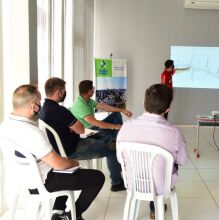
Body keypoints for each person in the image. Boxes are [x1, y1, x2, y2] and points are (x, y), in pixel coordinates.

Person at [0, 84, 105, 220]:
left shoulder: (4, 126)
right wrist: (73, 162)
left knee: (66, 172)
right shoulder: (32, 132)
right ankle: (72, 215)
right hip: (42, 181)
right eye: (39, 104)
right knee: (97, 177)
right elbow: (59, 165)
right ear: (32, 106)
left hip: (23, 179)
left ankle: (58, 212)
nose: (40, 107)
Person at [39, 77, 125, 192]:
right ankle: (117, 183)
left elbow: (74, 127)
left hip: (62, 147)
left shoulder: (43, 109)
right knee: (112, 148)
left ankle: (117, 160)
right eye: (64, 91)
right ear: (59, 92)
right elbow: (81, 130)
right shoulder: (60, 110)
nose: (65, 93)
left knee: (109, 139)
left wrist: (71, 127)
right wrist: (74, 127)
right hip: (73, 148)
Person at [116, 83, 189, 219]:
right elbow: (183, 161)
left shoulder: (126, 127)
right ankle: (156, 208)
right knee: (172, 160)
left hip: (133, 183)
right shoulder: (175, 132)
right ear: (167, 109)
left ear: (143, 102)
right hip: (161, 187)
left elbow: (120, 159)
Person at [70, 80, 132, 145]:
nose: (93, 90)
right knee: (113, 136)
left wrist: (123, 110)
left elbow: (104, 107)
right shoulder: (80, 105)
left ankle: (118, 137)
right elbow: (95, 122)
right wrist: (116, 126)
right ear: (89, 91)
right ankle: (117, 138)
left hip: (94, 127)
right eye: (93, 88)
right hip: (88, 132)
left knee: (116, 114)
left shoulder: (88, 100)